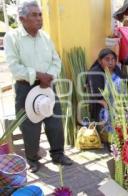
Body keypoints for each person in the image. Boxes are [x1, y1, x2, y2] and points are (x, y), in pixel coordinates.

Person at [4, 0, 72, 173]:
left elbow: (56, 60)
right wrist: (37, 75)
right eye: (34, 15)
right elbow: (14, 67)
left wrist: (49, 76)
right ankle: (32, 159)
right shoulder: (12, 37)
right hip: (25, 87)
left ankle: (58, 154)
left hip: (47, 84)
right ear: (22, 18)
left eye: (40, 14)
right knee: (29, 126)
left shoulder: (45, 37)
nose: (39, 18)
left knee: (54, 121)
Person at [86, 48, 122, 125]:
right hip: (101, 110)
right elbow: (97, 97)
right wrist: (111, 110)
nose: (111, 62)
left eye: (113, 59)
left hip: (119, 107)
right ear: (100, 61)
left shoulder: (117, 69)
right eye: (107, 59)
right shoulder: (95, 73)